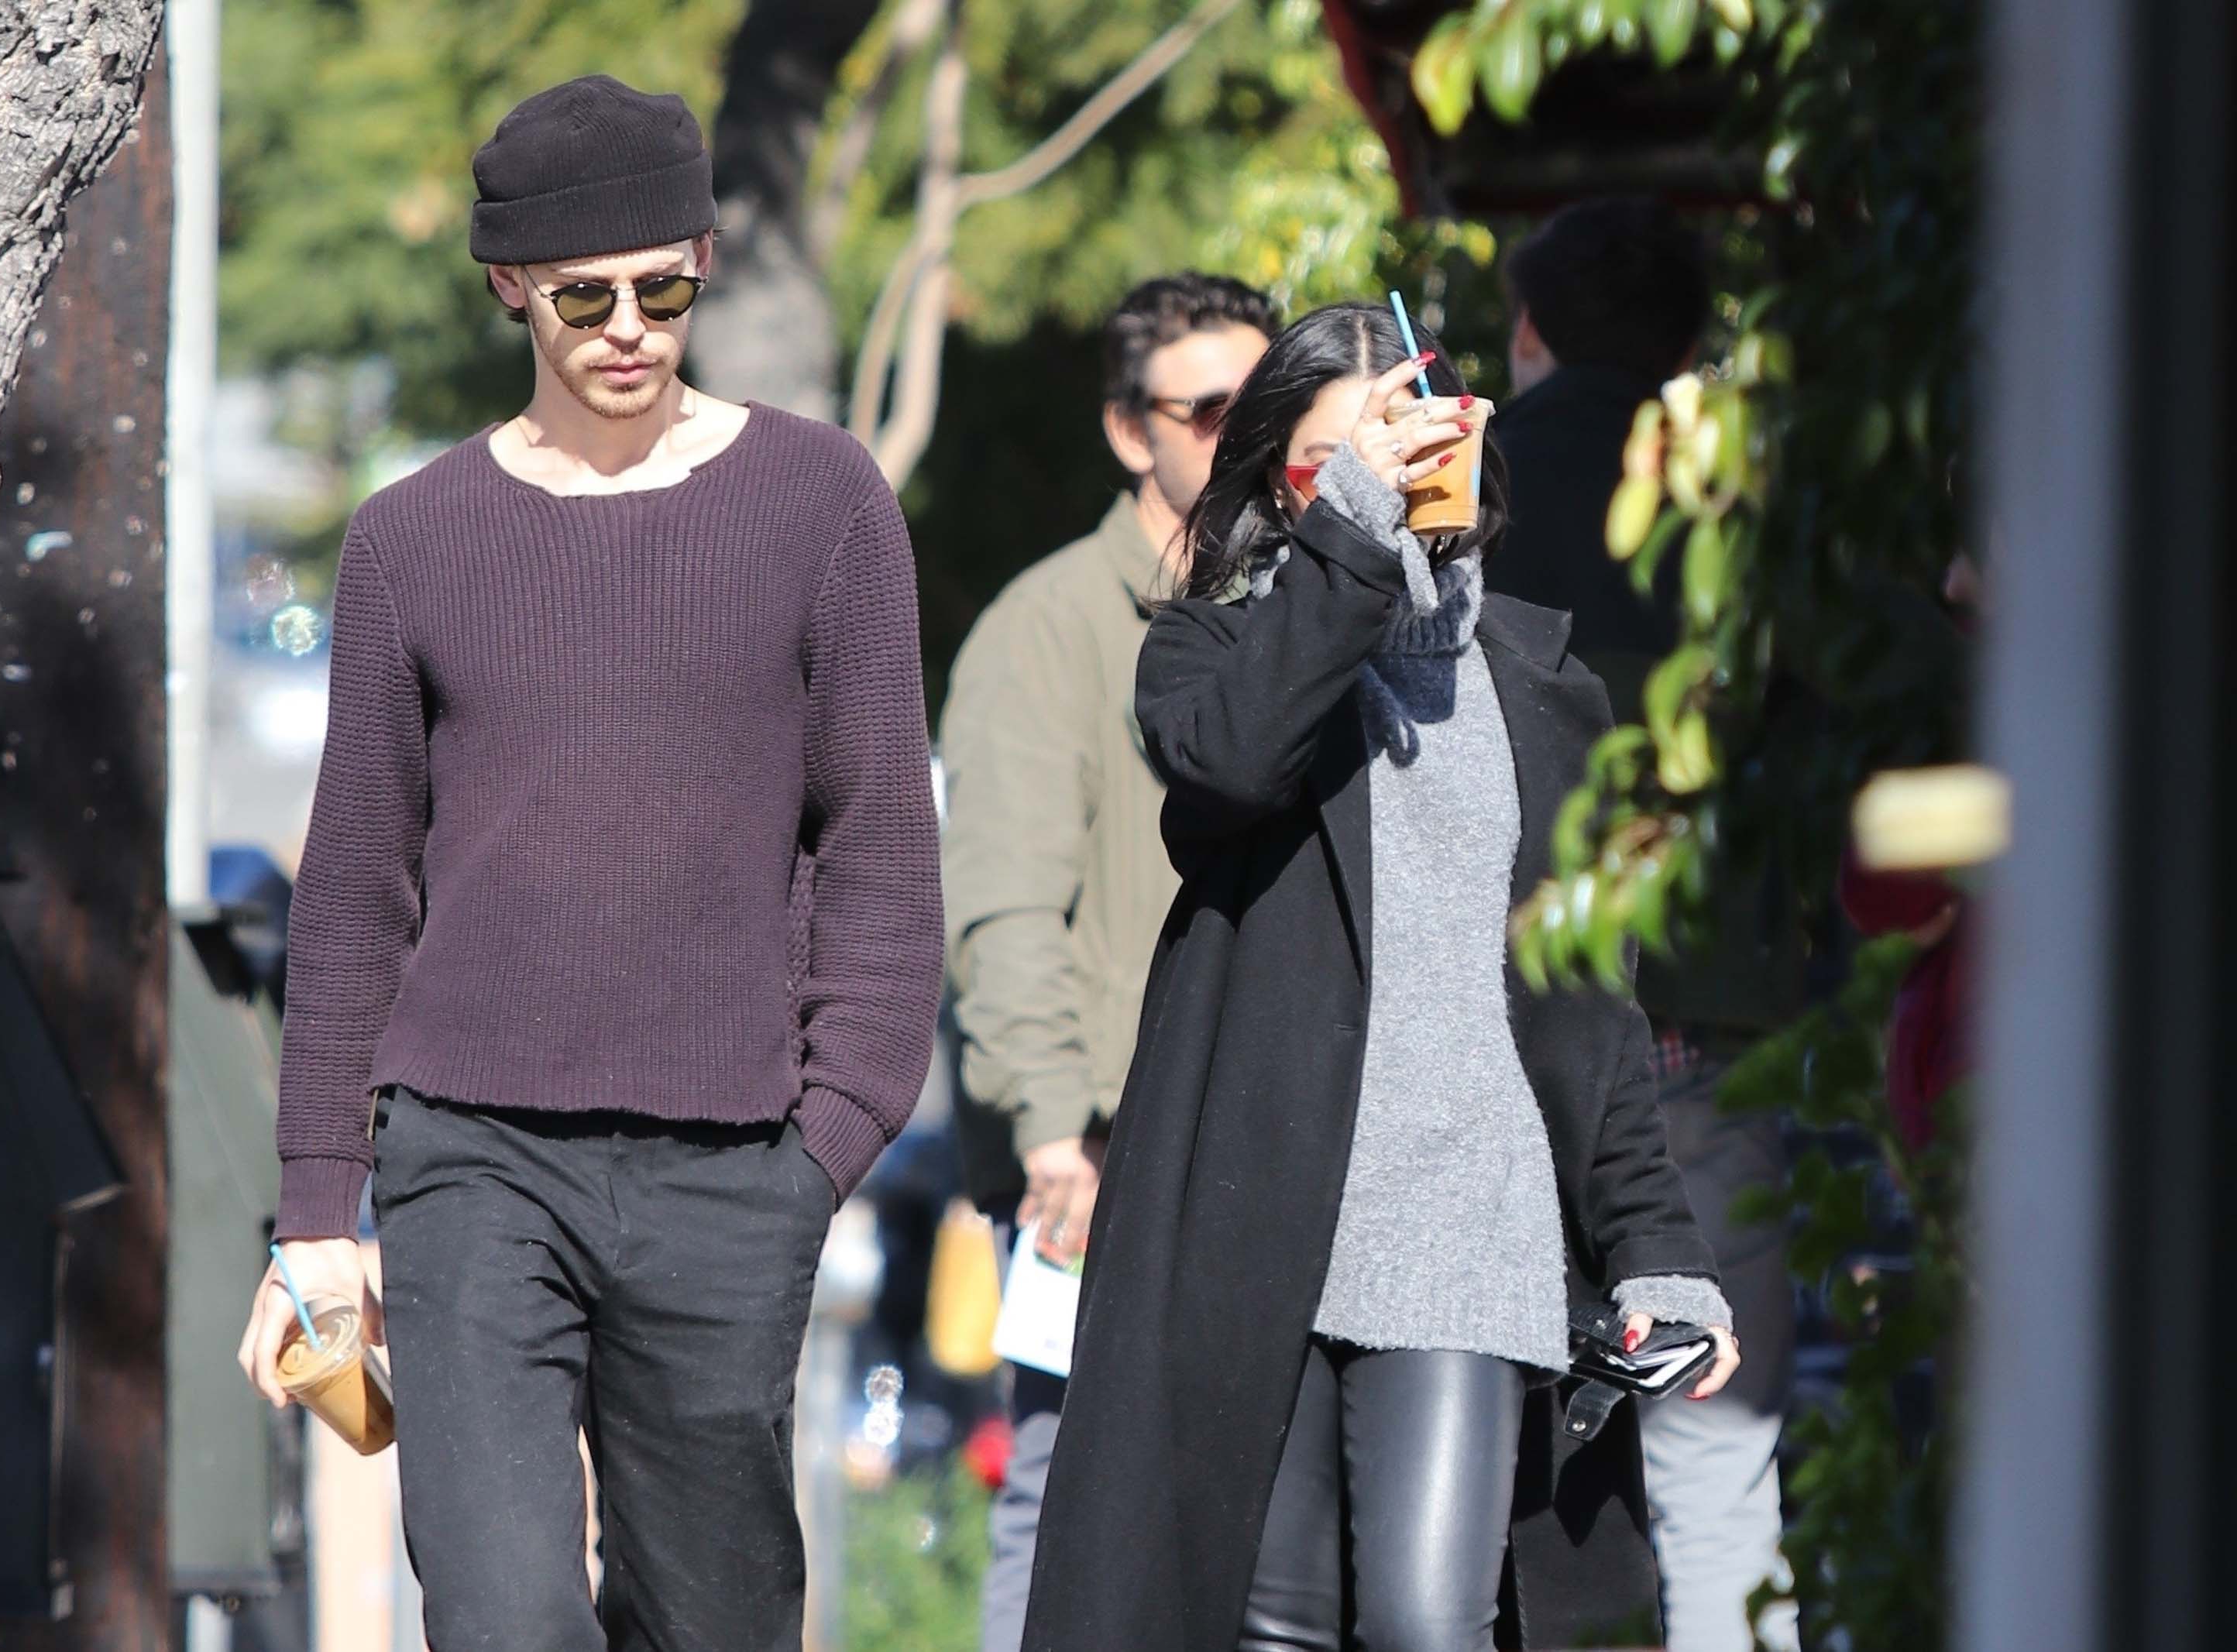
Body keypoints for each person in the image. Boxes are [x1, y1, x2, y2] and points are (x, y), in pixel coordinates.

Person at [233, 75, 943, 1652]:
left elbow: (882, 841)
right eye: (582, 295)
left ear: (701, 256)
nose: (629, 325)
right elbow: (355, 882)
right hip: (469, 1156)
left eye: (664, 285)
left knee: (713, 1620)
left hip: (732, 1163)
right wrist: (312, 1211)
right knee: (501, 1615)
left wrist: (819, 1148)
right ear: (508, 287)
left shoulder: (822, 503)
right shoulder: (410, 537)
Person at [1020, 304, 1737, 1652]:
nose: (1382, 482)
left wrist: (1658, 1249)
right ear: (1283, 491)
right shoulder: (1212, 653)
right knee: (1269, 1630)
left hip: (1468, 1214)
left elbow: (1595, 1013)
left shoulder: (1543, 684)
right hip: (1253, 1218)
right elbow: (1235, 765)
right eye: (1330, 466)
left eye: (1411, 448)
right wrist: (1351, 542)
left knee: (1425, 1621)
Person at [940, 272, 1274, 1652]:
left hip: (1252, 1136)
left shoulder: (1295, 606)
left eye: (1272, 406)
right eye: (1212, 412)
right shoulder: (1050, 624)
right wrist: (1053, 1130)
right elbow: (1005, 904)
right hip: (1104, 1142)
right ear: (1132, 432)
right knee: (1069, 1491)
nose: (1246, 439)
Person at [1495, 198, 1804, 1652]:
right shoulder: (1750, 505)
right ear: (1691, 347)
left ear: (1530, 332)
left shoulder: (1472, 486)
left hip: (1498, 1033)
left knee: (1495, 1430)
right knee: (1713, 1435)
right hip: (1701, 1033)